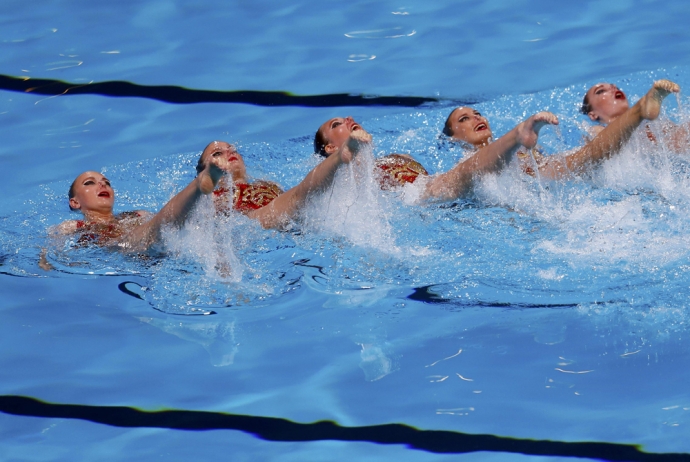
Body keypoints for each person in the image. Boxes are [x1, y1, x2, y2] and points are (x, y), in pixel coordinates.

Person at [443, 80, 680, 179]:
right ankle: (640, 111)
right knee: (589, 156)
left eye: (477, 114)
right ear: (453, 138)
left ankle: (640, 111)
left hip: (542, 178)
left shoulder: (514, 150)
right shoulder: (464, 164)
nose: (476, 118)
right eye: (464, 119)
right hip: (533, 182)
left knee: (587, 157)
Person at [314, 112, 559, 201]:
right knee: (462, 175)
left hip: (432, 197)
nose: (348, 119)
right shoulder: (340, 180)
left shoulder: (399, 155)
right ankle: (516, 136)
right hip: (415, 199)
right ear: (330, 148)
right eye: (338, 124)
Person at [52, 149, 226, 253]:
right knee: (158, 229)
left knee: (173, 229)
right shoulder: (73, 226)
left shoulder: (136, 214)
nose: (102, 185)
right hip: (122, 249)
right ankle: (199, 184)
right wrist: (45, 259)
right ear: (75, 203)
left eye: (107, 183)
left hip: (155, 251)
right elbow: (51, 246)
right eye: (89, 183)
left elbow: (172, 219)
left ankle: (201, 188)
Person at [206, 129, 371, 228]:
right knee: (298, 196)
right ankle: (339, 156)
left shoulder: (268, 183)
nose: (229, 153)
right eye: (217, 154)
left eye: (232, 149)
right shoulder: (210, 197)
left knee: (306, 201)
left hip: (289, 223)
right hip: (254, 221)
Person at [581, 80, 689, 151]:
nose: (614, 88)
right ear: (593, 115)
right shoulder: (596, 130)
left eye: (616, 87)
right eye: (601, 91)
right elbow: (601, 149)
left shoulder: (653, 123)